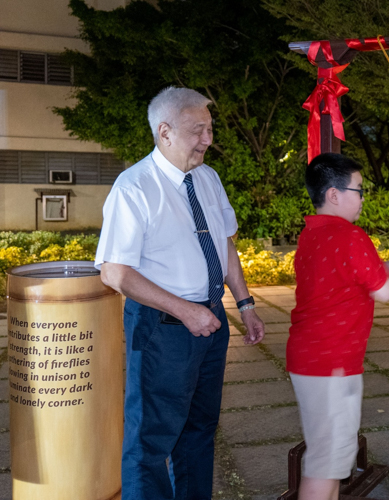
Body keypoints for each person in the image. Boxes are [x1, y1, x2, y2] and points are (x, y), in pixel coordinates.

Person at [95, 86, 266, 500]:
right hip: (163, 329)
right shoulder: (134, 187)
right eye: (198, 130)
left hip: (212, 321)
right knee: (150, 442)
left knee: (199, 431)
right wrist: (186, 311)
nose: (208, 139)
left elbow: (225, 243)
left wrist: (244, 304)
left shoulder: (207, 178)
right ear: (165, 132)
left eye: (209, 129)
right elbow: (115, 272)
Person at [287, 153, 389, 500]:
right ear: (334, 195)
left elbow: (362, 272)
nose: (363, 197)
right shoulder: (351, 236)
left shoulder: (313, 234)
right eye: (359, 189)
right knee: (325, 466)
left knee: (328, 459)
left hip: (311, 358)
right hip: (331, 364)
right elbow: (383, 290)